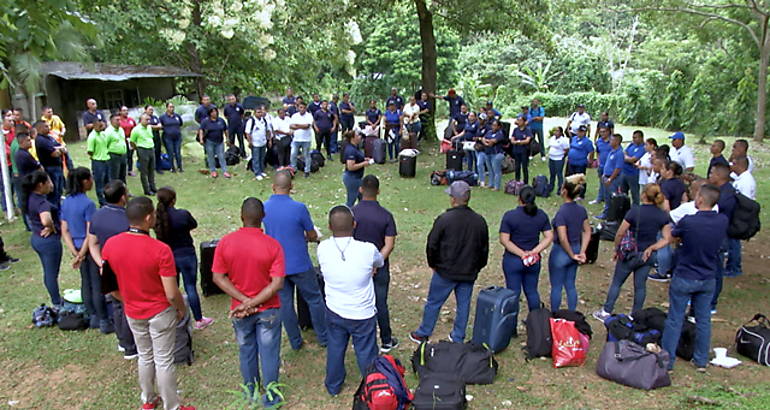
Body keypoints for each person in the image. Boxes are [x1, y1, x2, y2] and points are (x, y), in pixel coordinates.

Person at [101, 197, 196, 410]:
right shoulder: (160, 250)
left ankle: (148, 399)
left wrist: (128, 299)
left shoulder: (110, 245)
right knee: (163, 360)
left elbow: (108, 284)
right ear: (147, 218)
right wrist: (181, 309)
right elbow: (171, 293)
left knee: (144, 355)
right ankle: (171, 406)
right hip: (160, 311)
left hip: (133, 311)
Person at [211, 197, 286, 408]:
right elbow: (277, 283)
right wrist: (254, 302)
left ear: (241, 216)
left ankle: (250, 393)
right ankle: (271, 396)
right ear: (263, 217)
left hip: (240, 310)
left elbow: (218, 277)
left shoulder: (226, 242)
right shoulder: (273, 246)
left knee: (246, 350)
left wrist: (244, 302)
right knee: (269, 353)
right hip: (268, 309)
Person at [316, 205, 383, 396]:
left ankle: (333, 386)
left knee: (335, 349)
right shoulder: (368, 250)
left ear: (329, 227)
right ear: (354, 225)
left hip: (335, 310)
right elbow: (379, 262)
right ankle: (373, 388)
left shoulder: (323, 248)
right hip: (362, 314)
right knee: (366, 352)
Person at [410, 181, 488, 344]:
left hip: (445, 271)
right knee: (463, 306)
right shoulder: (479, 221)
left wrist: (433, 263)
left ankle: (424, 332)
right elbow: (484, 249)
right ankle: (458, 336)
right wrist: (477, 267)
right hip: (468, 272)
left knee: (433, 302)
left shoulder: (444, 219)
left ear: (453, 199)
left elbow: (432, 243)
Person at [660, 184, 728, 372]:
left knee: (675, 318)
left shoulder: (689, 222)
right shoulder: (722, 221)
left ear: (699, 199)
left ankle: (668, 360)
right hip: (708, 276)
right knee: (703, 319)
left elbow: (673, 237)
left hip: (685, 275)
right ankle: (701, 360)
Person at [263, 171, 327, 349]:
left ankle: (295, 341)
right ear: (291, 187)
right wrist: (310, 237)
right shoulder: (299, 208)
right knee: (314, 299)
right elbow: (311, 234)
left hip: (277, 266)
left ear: (272, 186)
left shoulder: (264, 207)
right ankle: (323, 337)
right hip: (299, 262)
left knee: (285, 304)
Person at [592, 183, 672, 321]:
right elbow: (667, 238)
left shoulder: (635, 212)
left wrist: (617, 249)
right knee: (640, 286)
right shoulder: (661, 215)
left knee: (617, 282)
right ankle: (636, 314)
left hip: (631, 253)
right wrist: (652, 247)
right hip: (648, 255)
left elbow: (620, 233)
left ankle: (606, 311)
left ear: (643, 195)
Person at [87, 180, 137, 359]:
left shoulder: (97, 215)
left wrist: (101, 263)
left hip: (107, 267)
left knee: (116, 304)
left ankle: (123, 342)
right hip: (126, 268)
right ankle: (132, 345)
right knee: (129, 303)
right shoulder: (128, 218)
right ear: (123, 196)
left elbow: (92, 242)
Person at [61, 167, 114, 333]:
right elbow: (90, 233)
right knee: (97, 285)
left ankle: (92, 316)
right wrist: (83, 253)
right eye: (90, 178)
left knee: (85, 282)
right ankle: (103, 321)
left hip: (76, 247)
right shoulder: (88, 204)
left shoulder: (66, 201)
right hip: (88, 249)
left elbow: (65, 230)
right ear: (84, 182)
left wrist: (75, 253)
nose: (92, 181)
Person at [154, 187, 214, 330]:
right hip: (186, 254)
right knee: (190, 287)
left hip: (168, 257)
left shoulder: (158, 219)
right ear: (173, 200)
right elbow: (193, 224)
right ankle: (199, 320)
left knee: (171, 289)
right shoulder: (182, 215)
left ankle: (174, 316)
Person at [352, 175, 399, 352]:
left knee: (357, 301)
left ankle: (359, 338)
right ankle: (386, 340)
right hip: (380, 268)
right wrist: (375, 263)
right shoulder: (386, 216)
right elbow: (389, 244)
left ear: (360, 190)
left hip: (356, 267)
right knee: (380, 304)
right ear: (378, 191)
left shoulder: (351, 213)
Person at [499, 186, 554, 314]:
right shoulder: (541, 216)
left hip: (513, 260)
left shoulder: (510, 216)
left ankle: (511, 327)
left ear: (519, 199)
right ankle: (536, 323)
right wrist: (534, 252)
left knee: (513, 294)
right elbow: (549, 236)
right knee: (532, 291)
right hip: (533, 261)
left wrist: (521, 254)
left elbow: (504, 240)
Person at [549, 174, 591, 311]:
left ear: (564, 191)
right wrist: (581, 251)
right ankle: (572, 314)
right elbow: (587, 231)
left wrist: (571, 254)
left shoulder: (562, 212)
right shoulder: (581, 210)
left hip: (561, 252)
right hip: (576, 247)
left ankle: (555, 316)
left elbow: (562, 237)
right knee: (570, 285)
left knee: (556, 286)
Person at [22, 171, 62, 308]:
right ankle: (57, 302)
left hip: (36, 238)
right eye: (48, 181)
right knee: (51, 274)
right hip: (48, 242)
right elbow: (45, 220)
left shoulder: (29, 197)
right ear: (40, 184)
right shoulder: (41, 202)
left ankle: (56, 299)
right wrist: (52, 227)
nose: (51, 185)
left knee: (48, 272)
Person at [708, 163, 737, 315]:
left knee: (716, 269)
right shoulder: (721, 191)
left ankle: (712, 303)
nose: (710, 175)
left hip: (720, 237)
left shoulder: (726, 195)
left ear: (719, 176)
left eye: (712, 173)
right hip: (716, 235)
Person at [726, 156, 755, 278]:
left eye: (733, 163)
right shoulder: (740, 178)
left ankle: (734, 267)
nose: (731, 165)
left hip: (740, 215)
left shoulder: (746, 181)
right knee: (732, 240)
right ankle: (731, 265)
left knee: (734, 241)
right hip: (737, 214)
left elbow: (745, 201)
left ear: (740, 166)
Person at [34, 120, 66, 208]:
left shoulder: (49, 137)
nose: (49, 128)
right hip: (50, 168)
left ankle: (59, 209)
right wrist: (59, 149)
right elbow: (54, 153)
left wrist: (58, 149)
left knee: (59, 191)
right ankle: (53, 211)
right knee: (53, 193)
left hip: (58, 167)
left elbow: (62, 147)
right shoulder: (41, 140)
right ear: (39, 129)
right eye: (46, 126)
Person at [595, 133, 625, 220]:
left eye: (612, 140)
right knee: (607, 197)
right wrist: (604, 174)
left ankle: (610, 215)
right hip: (606, 176)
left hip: (613, 179)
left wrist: (610, 179)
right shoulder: (611, 151)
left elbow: (618, 168)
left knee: (612, 198)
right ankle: (606, 213)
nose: (610, 141)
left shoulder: (619, 153)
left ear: (617, 142)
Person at [198, 107, 231, 179]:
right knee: (211, 156)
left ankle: (225, 171)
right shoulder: (206, 121)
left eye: (215, 112)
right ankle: (213, 170)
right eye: (212, 112)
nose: (214, 113)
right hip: (210, 141)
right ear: (209, 113)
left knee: (221, 156)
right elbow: (201, 130)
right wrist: (201, 139)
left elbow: (225, 130)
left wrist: (227, 138)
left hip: (220, 141)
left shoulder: (221, 120)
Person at [131, 114, 159, 194]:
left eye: (149, 120)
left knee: (151, 169)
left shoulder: (149, 128)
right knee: (144, 171)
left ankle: (152, 187)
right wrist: (138, 149)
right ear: (141, 120)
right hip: (142, 150)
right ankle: (146, 189)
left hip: (151, 148)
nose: (148, 121)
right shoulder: (136, 129)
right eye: (146, 120)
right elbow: (132, 141)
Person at [341, 131, 370, 207]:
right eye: (358, 135)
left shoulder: (355, 148)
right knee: (351, 200)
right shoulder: (351, 150)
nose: (360, 137)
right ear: (353, 138)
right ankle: (344, 215)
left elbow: (358, 158)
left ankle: (362, 213)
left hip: (357, 177)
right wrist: (363, 164)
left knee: (362, 197)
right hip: (352, 178)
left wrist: (364, 159)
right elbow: (350, 167)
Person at [86, 119, 111, 206]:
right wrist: (96, 156)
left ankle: (108, 199)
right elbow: (90, 151)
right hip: (98, 161)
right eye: (100, 126)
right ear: (94, 125)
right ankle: (102, 202)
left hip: (106, 159)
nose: (102, 127)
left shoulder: (103, 134)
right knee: (100, 182)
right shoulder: (92, 137)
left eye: (102, 125)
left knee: (107, 181)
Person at [566, 125, 594, 200]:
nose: (580, 133)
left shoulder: (587, 142)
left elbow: (591, 151)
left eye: (582, 132)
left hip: (580, 163)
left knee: (580, 179)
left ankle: (581, 194)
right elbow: (571, 148)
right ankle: (572, 191)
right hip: (572, 162)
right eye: (579, 131)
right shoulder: (574, 138)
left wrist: (590, 161)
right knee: (571, 178)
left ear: (585, 132)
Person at [477, 119, 506, 191]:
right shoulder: (489, 132)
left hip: (496, 154)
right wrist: (486, 142)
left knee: (496, 170)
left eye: (495, 125)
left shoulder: (500, 133)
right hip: (488, 153)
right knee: (490, 170)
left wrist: (487, 141)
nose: (493, 127)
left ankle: (497, 186)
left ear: (499, 126)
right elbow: (483, 138)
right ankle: (490, 184)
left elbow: (494, 141)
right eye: (492, 125)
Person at [621, 130, 646, 205]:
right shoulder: (631, 144)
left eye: (635, 138)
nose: (633, 139)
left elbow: (633, 159)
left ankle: (635, 208)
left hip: (634, 173)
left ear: (641, 138)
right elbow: (623, 153)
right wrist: (628, 158)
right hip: (624, 171)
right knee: (623, 192)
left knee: (634, 192)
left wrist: (628, 159)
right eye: (633, 137)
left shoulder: (643, 148)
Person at [289, 102, 314, 178]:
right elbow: (291, 126)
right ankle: (294, 169)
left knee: (306, 155)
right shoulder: (294, 116)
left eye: (304, 107)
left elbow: (307, 126)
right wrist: (301, 126)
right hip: (296, 139)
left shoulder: (309, 116)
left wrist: (297, 125)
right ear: (298, 108)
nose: (302, 109)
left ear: (306, 108)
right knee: (293, 154)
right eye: (300, 107)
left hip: (306, 139)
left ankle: (307, 170)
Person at [159, 102, 185, 173]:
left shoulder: (177, 116)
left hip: (177, 137)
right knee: (170, 152)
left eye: (172, 107)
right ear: (167, 108)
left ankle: (179, 167)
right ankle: (171, 167)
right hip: (167, 138)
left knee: (177, 152)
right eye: (170, 107)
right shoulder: (163, 117)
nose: (171, 108)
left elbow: (181, 124)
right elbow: (160, 126)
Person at [589, 126, 612, 205]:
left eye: (604, 132)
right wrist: (598, 161)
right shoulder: (599, 141)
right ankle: (599, 198)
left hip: (610, 166)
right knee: (601, 182)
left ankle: (608, 199)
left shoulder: (612, 141)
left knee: (609, 183)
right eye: (601, 132)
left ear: (608, 132)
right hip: (601, 165)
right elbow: (598, 151)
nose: (602, 133)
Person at [245, 107, 270, 180]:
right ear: (254, 113)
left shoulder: (264, 120)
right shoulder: (251, 121)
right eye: (258, 112)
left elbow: (267, 130)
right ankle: (257, 173)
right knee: (256, 158)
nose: (259, 114)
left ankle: (261, 170)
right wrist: (250, 142)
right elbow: (248, 133)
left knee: (262, 157)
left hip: (263, 142)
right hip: (255, 143)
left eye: (260, 112)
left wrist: (269, 139)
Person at [510, 116, 533, 184]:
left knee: (524, 167)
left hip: (524, 151)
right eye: (518, 120)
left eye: (521, 120)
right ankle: (517, 181)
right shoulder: (515, 130)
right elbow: (512, 139)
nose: (519, 122)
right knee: (517, 167)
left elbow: (527, 140)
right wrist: (517, 142)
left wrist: (518, 142)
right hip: (516, 150)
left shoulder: (527, 130)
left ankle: (525, 182)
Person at [105, 114, 128, 182]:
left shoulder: (121, 130)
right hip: (114, 156)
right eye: (117, 120)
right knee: (115, 176)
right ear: (111, 121)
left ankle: (123, 191)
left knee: (123, 176)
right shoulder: (108, 132)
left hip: (123, 155)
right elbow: (105, 144)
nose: (119, 121)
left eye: (119, 120)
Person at [547, 127, 570, 193]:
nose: (555, 132)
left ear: (560, 132)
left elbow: (567, 150)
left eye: (557, 131)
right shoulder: (552, 138)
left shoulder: (563, 140)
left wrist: (562, 156)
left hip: (559, 159)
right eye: (555, 131)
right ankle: (551, 187)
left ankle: (560, 188)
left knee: (559, 174)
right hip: (551, 158)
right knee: (552, 174)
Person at [144, 106, 164, 175]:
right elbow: (145, 126)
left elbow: (160, 126)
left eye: (152, 110)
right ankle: (150, 169)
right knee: (149, 155)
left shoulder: (155, 118)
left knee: (158, 153)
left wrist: (151, 126)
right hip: (147, 140)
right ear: (145, 110)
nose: (151, 111)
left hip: (156, 139)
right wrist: (155, 127)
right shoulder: (143, 118)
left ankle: (159, 168)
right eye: (149, 110)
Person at [118, 106, 138, 177]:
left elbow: (135, 129)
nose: (126, 112)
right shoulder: (118, 120)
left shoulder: (131, 120)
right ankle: (122, 170)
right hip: (122, 140)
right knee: (123, 155)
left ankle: (130, 170)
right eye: (123, 110)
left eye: (126, 110)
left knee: (130, 155)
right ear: (120, 112)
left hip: (130, 140)